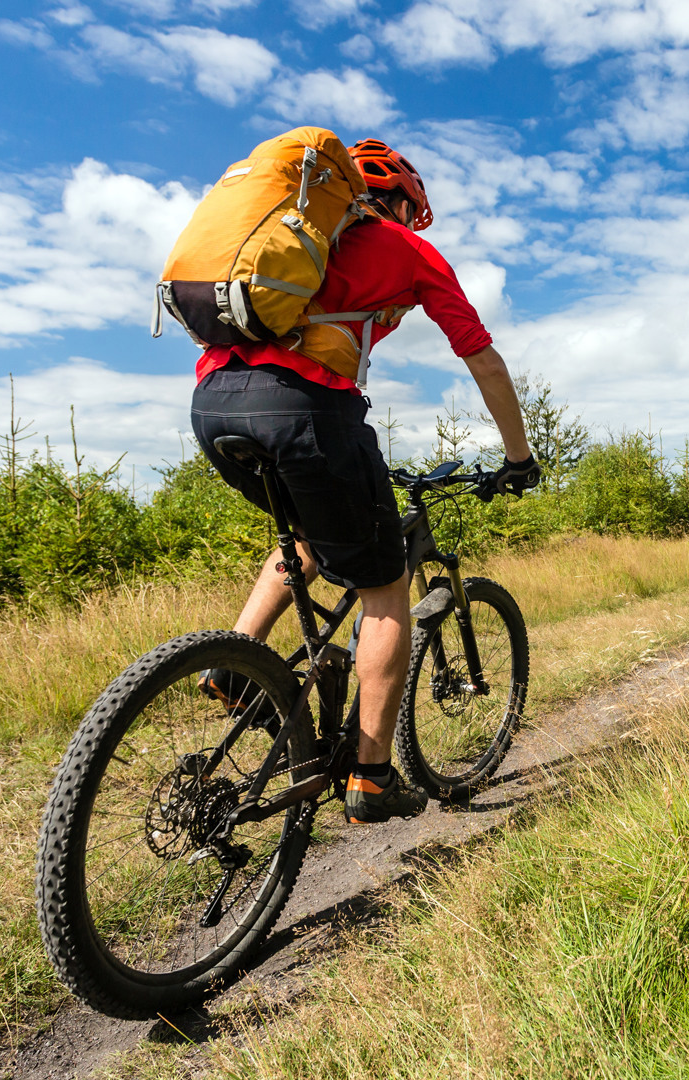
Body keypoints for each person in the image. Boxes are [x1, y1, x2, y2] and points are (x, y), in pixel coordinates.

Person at [189, 138, 541, 824]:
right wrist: (519, 456)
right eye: (414, 211)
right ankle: (373, 777)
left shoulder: (286, 236)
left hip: (214, 404)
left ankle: (233, 665)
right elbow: (482, 357)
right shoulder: (402, 248)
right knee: (383, 585)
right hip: (306, 411)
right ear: (404, 202)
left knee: (310, 542)